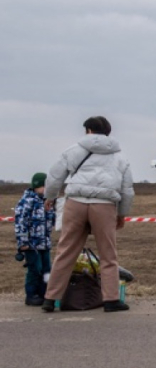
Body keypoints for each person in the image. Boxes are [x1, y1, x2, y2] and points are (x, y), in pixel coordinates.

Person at [42, 116, 134, 313]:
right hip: (105, 205)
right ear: (108, 132)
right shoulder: (119, 157)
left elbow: (55, 175)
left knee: (66, 251)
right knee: (108, 254)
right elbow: (127, 190)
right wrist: (122, 213)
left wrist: (50, 196)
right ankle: (110, 300)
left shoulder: (73, 150)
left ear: (89, 131)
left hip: (75, 202)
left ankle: (50, 298)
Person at [14, 172, 56, 306]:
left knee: (46, 269)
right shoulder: (27, 201)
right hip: (31, 244)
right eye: (45, 186)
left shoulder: (47, 202)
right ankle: (31, 295)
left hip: (45, 243)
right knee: (34, 269)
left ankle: (45, 294)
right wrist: (22, 242)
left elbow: (52, 221)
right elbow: (20, 222)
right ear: (37, 186)